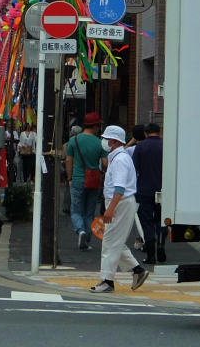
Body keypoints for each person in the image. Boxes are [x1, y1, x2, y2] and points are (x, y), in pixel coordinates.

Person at [90, 125, 151, 293]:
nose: (104, 141)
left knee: (110, 242)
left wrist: (110, 209)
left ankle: (107, 280)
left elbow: (119, 188)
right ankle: (137, 270)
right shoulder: (119, 157)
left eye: (106, 138)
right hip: (122, 202)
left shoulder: (120, 160)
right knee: (114, 241)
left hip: (120, 202)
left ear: (114, 141)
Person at [64, 112, 107, 250]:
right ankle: (86, 241)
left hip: (77, 179)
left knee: (76, 210)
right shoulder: (100, 143)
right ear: (94, 126)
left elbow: (68, 160)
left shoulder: (74, 141)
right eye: (98, 125)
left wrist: (69, 178)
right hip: (94, 181)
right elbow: (106, 163)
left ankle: (80, 231)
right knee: (89, 212)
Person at [132, 123, 165, 263]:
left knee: (147, 221)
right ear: (159, 132)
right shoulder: (167, 145)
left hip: (144, 189)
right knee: (162, 220)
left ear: (146, 133)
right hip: (164, 189)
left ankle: (151, 254)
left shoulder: (140, 147)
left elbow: (135, 168)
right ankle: (161, 247)